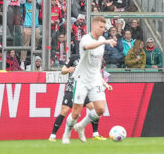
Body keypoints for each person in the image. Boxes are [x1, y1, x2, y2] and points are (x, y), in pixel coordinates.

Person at [62, 15, 115, 143]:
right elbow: (88, 47)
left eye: (104, 27)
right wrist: (105, 42)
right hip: (81, 79)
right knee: (76, 112)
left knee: (101, 109)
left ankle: (80, 126)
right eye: (101, 27)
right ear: (94, 26)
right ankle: (66, 133)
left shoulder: (102, 39)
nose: (103, 29)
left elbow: (96, 66)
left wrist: (103, 82)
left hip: (95, 79)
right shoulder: (86, 39)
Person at [48, 64, 78, 141]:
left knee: (93, 108)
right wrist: (68, 70)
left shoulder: (89, 58)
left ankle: (95, 133)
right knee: (64, 111)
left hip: (83, 89)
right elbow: (63, 71)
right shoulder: (73, 58)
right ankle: (53, 135)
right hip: (71, 89)